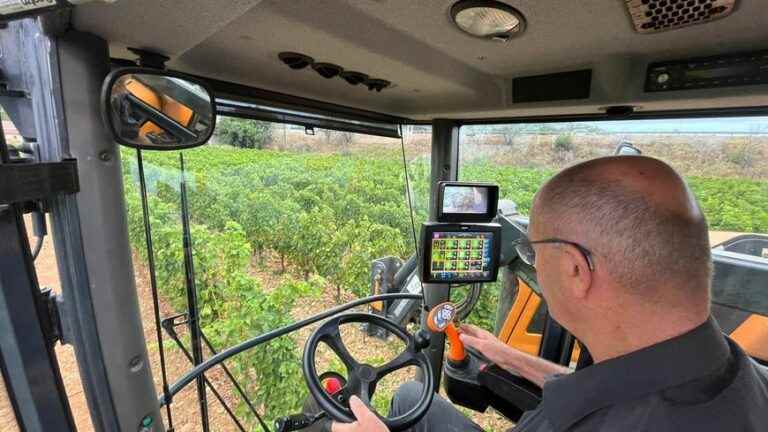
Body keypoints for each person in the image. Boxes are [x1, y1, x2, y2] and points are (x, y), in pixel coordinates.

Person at [332, 156, 768, 432]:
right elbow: (612, 388)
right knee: (413, 397)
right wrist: (510, 356)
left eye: (533, 251)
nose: (531, 263)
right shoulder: (742, 375)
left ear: (577, 270)